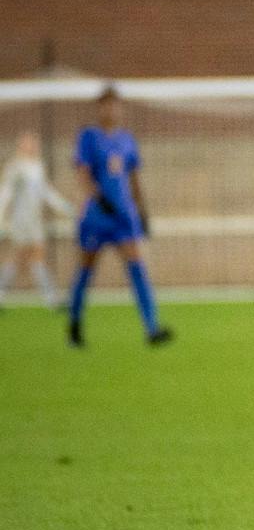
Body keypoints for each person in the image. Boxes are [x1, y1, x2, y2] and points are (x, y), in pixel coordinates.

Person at [68, 87, 171, 347]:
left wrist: (142, 210)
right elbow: (82, 172)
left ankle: (152, 328)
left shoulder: (126, 140)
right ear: (99, 108)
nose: (111, 110)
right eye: (106, 105)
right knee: (86, 269)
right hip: (97, 217)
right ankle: (75, 324)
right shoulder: (89, 137)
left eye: (115, 105)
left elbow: (133, 177)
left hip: (124, 217)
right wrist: (99, 199)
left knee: (137, 267)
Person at [0, 131, 69, 308]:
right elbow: (5, 193)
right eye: (28, 143)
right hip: (21, 220)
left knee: (35, 256)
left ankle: (51, 298)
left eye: (33, 142)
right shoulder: (15, 167)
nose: (32, 146)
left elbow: (45, 192)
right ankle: (50, 298)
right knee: (19, 257)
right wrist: (0, 215)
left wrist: (63, 206)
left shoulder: (37, 167)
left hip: (35, 220)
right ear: (21, 145)